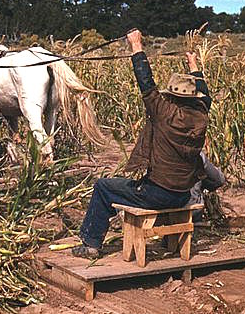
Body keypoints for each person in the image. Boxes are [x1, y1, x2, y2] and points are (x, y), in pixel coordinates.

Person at [73, 28, 213, 258]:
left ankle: (90, 244)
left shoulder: (163, 112)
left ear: (172, 96)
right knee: (117, 187)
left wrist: (136, 46)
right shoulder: (201, 114)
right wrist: (193, 63)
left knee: (103, 187)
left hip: (158, 193)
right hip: (183, 193)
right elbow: (205, 94)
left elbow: (145, 82)